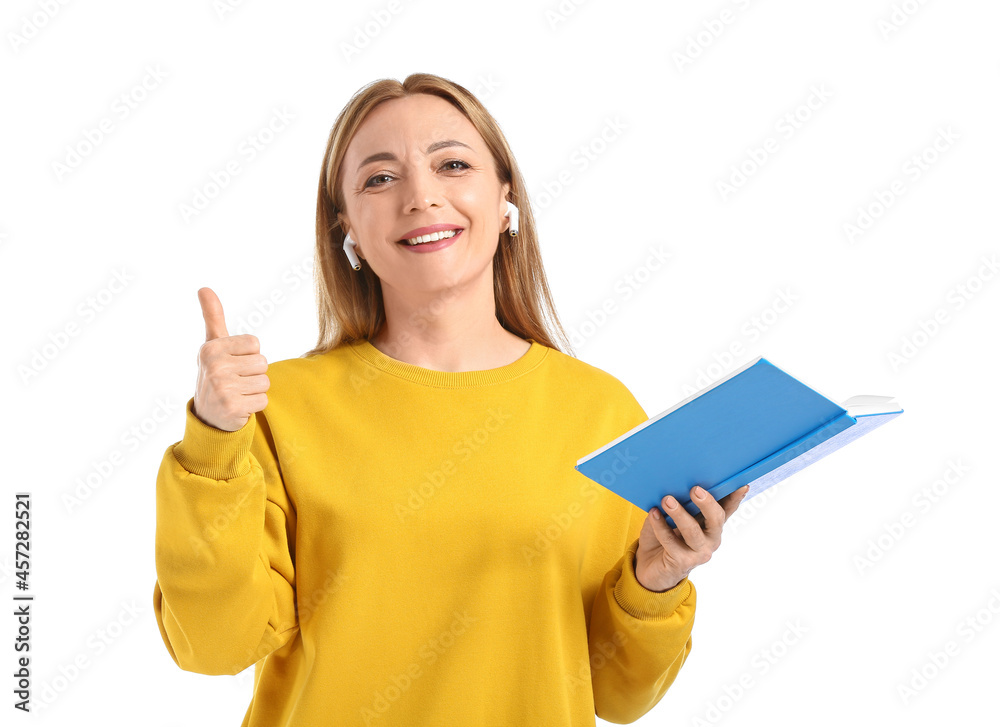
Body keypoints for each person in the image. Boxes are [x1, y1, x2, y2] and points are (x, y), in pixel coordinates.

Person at [152, 72, 750, 726]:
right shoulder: (273, 408)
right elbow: (215, 646)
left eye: (453, 164)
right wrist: (211, 442)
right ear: (347, 228)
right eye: (380, 178)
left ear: (504, 200)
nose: (420, 195)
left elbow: (618, 694)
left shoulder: (602, 414)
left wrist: (655, 582)